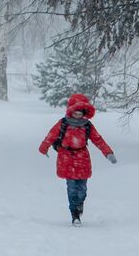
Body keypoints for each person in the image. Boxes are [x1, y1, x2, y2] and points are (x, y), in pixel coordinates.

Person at [38, 93, 117, 226]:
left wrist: (108, 153)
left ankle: (79, 204)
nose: (78, 115)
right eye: (76, 112)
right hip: (66, 158)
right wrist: (43, 148)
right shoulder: (63, 123)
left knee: (82, 190)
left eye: (81, 112)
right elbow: (51, 135)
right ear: (71, 111)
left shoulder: (87, 125)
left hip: (82, 158)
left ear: (84, 113)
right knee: (71, 188)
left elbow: (98, 140)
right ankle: (75, 215)